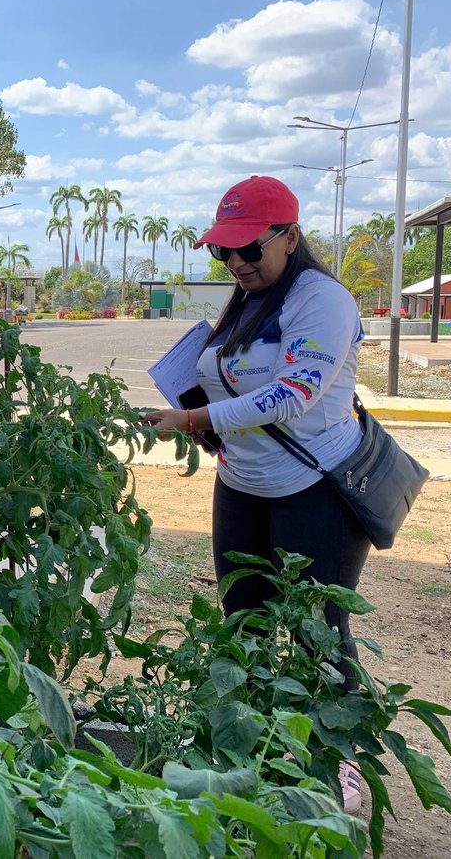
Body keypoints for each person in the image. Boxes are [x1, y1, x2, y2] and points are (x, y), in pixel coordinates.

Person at [143, 175, 367, 811]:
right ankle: (253, 749)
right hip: (241, 485)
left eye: (249, 249)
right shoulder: (248, 300)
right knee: (242, 621)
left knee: (319, 632)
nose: (236, 263)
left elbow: (295, 394)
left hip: (314, 490)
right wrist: (198, 409)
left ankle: (338, 763)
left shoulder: (320, 300)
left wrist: (195, 422)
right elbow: (225, 380)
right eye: (224, 252)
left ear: (290, 237)